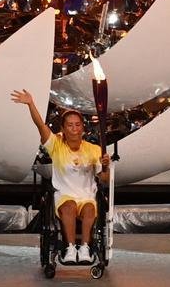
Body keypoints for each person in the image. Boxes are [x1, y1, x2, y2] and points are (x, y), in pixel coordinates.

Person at [11, 88, 110, 265]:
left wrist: (105, 166)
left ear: (83, 128)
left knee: (89, 208)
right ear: (63, 128)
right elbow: (40, 125)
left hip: (87, 194)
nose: (74, 129)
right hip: (64, 194)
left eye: (77, 124)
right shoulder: (55, 145)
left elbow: (104, 179)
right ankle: (70, 248)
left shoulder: (94, 150)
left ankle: (85, 248)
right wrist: (30, 104)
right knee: (69, 206)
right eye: (70, 125)